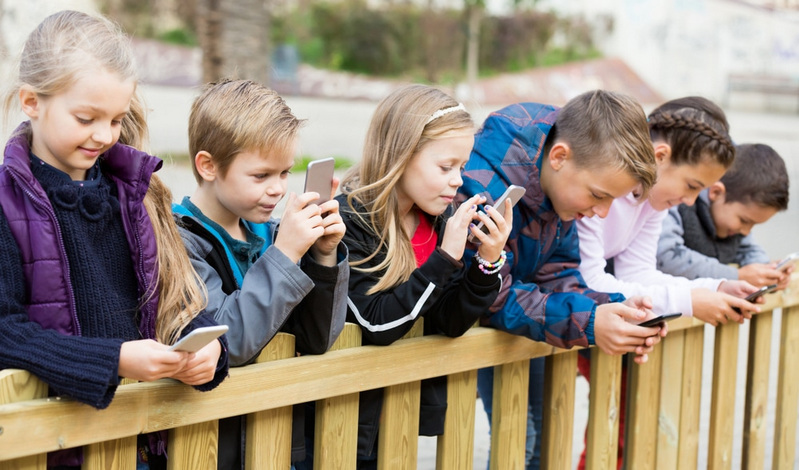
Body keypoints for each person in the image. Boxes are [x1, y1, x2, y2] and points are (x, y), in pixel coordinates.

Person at [0, 10, 228, 469]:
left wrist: (205, 349)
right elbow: (5, 330)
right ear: (31, 101)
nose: (104, 136)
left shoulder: (137, 193)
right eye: (86, 118)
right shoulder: (6, 203)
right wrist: (114, 359)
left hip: (143, 444)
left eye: (117, 120)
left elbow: (169, 299)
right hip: (55, 449)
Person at [304, 84, 511, 469]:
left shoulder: (438, 222)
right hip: (337, 421)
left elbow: (448, 321)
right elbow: (377, 322)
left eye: (462, 167)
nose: (457, 180)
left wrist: (487, 261)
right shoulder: (349, 219)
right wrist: (446, 258)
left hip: (397, 419)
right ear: (401, 154)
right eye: (445, 166)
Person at [458, 90, 665, 469]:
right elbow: (490, 293)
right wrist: (589, 323)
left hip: (514, 339)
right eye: (599, 196)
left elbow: (560, 276)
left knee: (534, 446)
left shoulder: (559, 195)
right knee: (523, 447)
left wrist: (612, 310)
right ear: (559, 157)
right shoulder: (482, 186)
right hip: (438, 346)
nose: (601, 214)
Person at [574, 97, 761, 469]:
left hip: (575, 319)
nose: (690, 201)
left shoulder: (652, 202)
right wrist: (692, 300)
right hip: (538, 314)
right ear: (660, 156)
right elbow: (590, 280)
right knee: (532, 442)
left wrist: (715, 288)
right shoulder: (603, 186)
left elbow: (637, 273)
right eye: (691, 185)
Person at [172, 78, 348, 470]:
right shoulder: (179, 242)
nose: (278, 190)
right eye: (261, 176)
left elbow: (317, 338)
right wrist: (285, 254)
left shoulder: (269, 232)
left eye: (285, 173)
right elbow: (227, 341)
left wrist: (323, 256)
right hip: (212, 449)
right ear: (208, 165)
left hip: (279, 442)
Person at [657, 143, 791, 287]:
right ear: (716, 192)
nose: (746, 232)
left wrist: (766, 272)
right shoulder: (678, 202)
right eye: (744, 220)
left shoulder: (735, 228)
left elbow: (750, 251)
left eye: (753, 225)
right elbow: (666, 256)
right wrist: (737, 276)